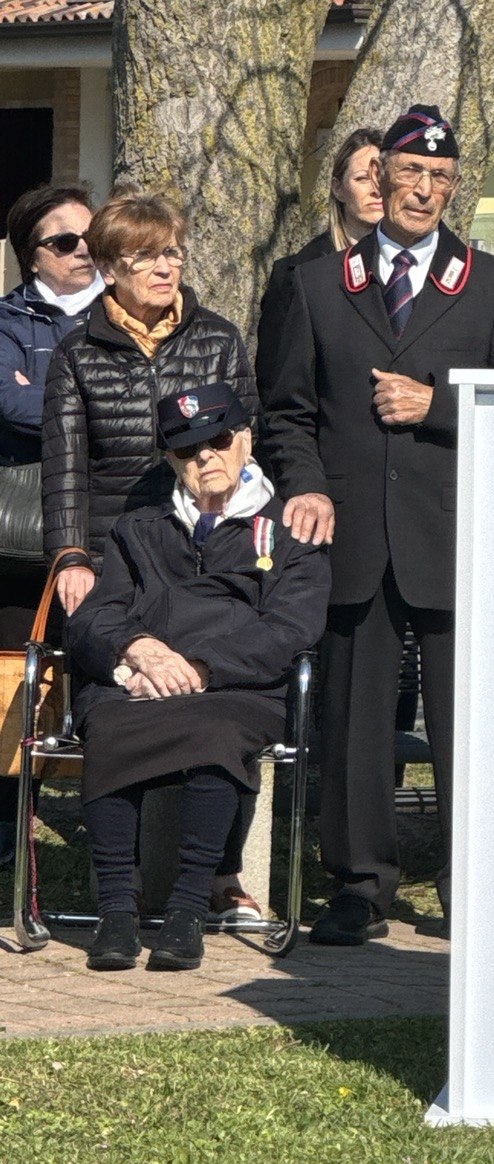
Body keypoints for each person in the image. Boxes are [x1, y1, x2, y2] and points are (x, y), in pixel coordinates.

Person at [260, 104, 494, 944]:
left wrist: (437, 406)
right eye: (410, 172)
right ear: (379, 177)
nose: (423, 190)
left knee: (465, 721)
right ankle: (359, 884)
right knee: (354, 721)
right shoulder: (315, 285)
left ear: (455, 188)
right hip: (351, 532)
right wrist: (307, 487)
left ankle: (471, 882)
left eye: (440, 178)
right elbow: (285, 413)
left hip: (452, 531)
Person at [40, 188, 263, 920]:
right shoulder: (76, 352)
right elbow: (65, 469)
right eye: (145, 257)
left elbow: (248, 446)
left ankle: (219, 876)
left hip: (202, 545)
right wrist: (72, 557)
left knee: (218, 695)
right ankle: (124, 879)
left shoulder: (218, 338)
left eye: (171, 252)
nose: (165, 268)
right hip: (115, 553)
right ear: (110, 269)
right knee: (124, 699)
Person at [66, 382, 329, 971]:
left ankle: (188, 909)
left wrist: (201, 668)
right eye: (188, 449)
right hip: (139, 680)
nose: (206, 456)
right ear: (171, 460)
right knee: (107, 724)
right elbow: (96, 615)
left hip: (236, 686)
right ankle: (116, 910)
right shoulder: (139, 529)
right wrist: (137, 649)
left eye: (219, 440)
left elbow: (291, 627)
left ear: (246, 440)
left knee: (215, 733)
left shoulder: (289, 531)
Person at [0, 183, 103, 865]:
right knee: (15, 677)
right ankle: (8, 835)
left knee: (103, 670)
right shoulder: (7, 320)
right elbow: (5, 404)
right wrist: (101, 409)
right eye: (64, 241)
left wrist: (45, 399)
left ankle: (111, 834)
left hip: (109, 521)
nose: (83, 250)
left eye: (91, 236)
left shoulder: (128, 312)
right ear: (31, 255)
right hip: (24, 533)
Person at [256, 127, 383, 403]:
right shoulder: (297, 275)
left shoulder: (412, 270)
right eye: (362, 178)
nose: (376, 190)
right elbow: (275, 384)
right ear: (338, 188)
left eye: (382, 178)